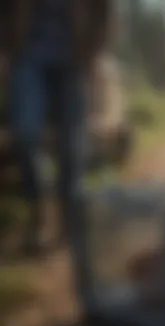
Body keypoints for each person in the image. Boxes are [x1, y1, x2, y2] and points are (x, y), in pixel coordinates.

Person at [0, 0, 114, 256]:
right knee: (25, 134)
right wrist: (4, 52)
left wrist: (96, 54)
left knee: (71, 147)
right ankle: (38, 215)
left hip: (75, 60)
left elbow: (104, 10)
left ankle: (68, 223)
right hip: (27, 57)